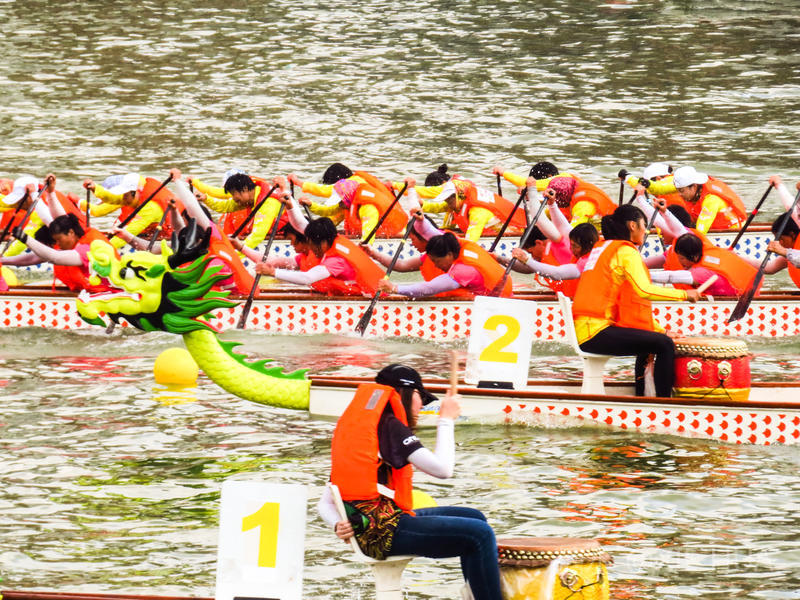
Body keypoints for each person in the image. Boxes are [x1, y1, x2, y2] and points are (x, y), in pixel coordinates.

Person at [317, 364, 502, 600]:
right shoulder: (390, 426)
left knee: (475, 518)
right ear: (407, 393)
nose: (422, 405)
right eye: (420, 396)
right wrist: (445, 420)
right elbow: (443, 470)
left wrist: (337, 524)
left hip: (374, 527)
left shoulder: (363, 425)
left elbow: (324, 503)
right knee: (480, 534)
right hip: (382, 534)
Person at [571, 204, 701, 397]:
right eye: (644, 225)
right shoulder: (626, 252)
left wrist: (661, 330)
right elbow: (643, 290)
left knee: (651, 339)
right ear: (633, 225)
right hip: (595, 332)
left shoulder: (603, 247)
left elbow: (627, 303)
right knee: (664, 344)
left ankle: (642, 396)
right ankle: (663, 404)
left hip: (586, 330)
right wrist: (685, 295)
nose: (646, 231)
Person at [255, 194, 386, 296]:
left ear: (321, 242)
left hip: (374, 298)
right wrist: (291, 207)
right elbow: (301, 226)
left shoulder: (336, 260)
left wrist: (273, 272)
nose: (310, 249)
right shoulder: (330, 237)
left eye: (311, 244)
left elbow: (307, 278)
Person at [288, 163, 408, 241]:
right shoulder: (348, 199)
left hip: (395, 235)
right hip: (375, 230)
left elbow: (369, 231)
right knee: (329, 222)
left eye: (340, 200)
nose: (339, 203)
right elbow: (329, 211)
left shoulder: (366, 205)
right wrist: (311, 205)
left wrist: (300, 183)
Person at [377, 231, 512, 298]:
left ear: (449, 255)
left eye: (437, 261)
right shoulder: (460, 247)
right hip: (498, 296)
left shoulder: (463, 271)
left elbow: (428, 289)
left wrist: (394, 288)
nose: (436, 266)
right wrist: (373, 253)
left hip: (496, 306)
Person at [412, 165, 527, 242]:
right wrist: (422, 204)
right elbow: (441, 206)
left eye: (449, 200)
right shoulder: (460, 197)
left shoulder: (477, 211)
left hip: (515, 233)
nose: (448, 204)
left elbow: (471, 241)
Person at [9, 213, 116, 293]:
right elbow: (33, 258)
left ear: (71, 232)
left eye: (59, 239)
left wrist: (26, 239)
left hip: (107, 297)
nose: (57, 244)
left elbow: (55, 257)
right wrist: (3, 261)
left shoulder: (86, 250)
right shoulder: (73, 248)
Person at [493, 162, 616, 225]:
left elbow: (571, 235)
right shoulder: (568, 186)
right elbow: (556, 201)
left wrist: (503, 173)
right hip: (581, 215)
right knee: (544, 215)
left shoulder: (582, 204)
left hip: (600, 228)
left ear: (549, 176)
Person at [83, 172, 181, 249]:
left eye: (124, 194)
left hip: (171, 240)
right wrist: (94, 188)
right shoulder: (131, 196)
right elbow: (108, 202)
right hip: (148, 234)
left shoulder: (150, 208)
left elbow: (126, 235)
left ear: (134, 192)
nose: (122, 198)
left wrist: (98, 250)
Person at [189, 171, 287, 247]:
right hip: (265, 236)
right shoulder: (250, 197)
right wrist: (206, 199)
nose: (233, 198)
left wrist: (237, 255)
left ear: (244, 189)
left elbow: (257, 236)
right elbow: (225, 206)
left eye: (233, 194)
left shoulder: (267, 202)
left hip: (281, 239)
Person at [640, 166, 746, 233]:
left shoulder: (711, 200)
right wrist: (641, 183)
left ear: (694, 187)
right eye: (678, 190)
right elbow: (658, 188)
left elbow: (700, 233)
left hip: (731, 233)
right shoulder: (685, 185)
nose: (679, 194)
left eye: (681, 191)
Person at [651, 232, 757, 296]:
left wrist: (645, 275)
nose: (679, 261)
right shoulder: (704, 254)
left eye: (682, 258)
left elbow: (671, 277)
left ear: (694, 256)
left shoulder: (703, 272)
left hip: (737, 303)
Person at [510, 222, 599, 297]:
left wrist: (526, 260)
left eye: (574, 246)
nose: (570, 249)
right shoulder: (589, 254)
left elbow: (556, 273)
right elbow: (530, 269)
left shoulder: (586, 262)